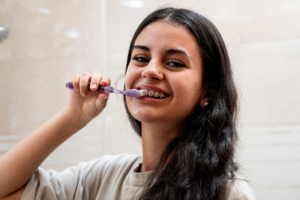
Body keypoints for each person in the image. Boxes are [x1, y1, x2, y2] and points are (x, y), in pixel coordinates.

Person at [0, 7, 256, 200]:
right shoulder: (100, 178)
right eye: (141, 58)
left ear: (207, 91)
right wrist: (72, 117)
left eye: (174, 63)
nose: (150, 71)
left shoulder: (229, 193)